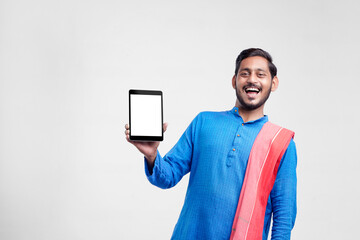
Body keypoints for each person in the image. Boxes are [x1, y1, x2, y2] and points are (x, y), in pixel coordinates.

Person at [125, 48, 297, 240]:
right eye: (245, 73)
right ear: (234, 81)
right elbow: (167, 176)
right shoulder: (204, 122)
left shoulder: (281, 143)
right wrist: (151, 156)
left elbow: (283, 218)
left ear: (273, 83)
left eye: (260, 74)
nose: (252, 80)